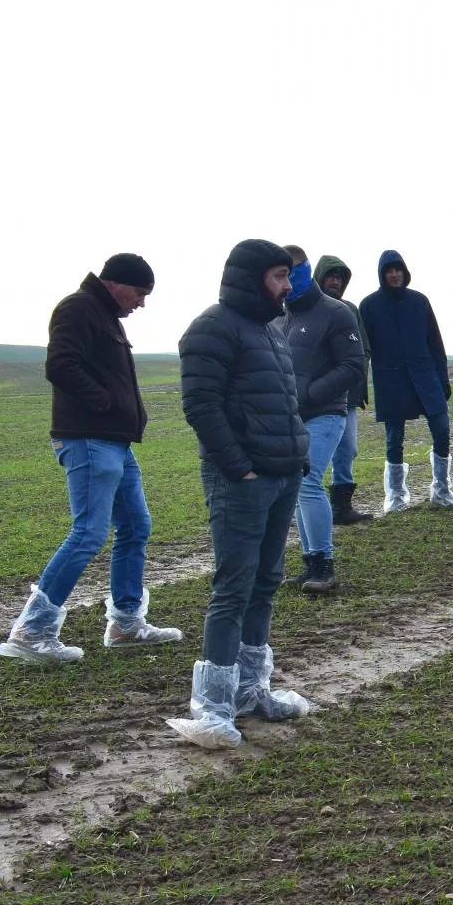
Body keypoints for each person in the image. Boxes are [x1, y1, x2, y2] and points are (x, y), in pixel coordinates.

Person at [0, 253, 183, 664]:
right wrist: (104, 404)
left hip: (113, 441)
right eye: (140, 293)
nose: (141, 303)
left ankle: (127, 624)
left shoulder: (103, 314)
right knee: (88, 533)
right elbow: (61, 365)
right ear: (116, 282)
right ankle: (32, 630)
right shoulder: (78, 308)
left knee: (135, 525)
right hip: (88, 439)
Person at [168, 240, 314, 749]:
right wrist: (239, 468)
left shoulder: (271, 327)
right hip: (242, 480)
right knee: (234, 586)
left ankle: (252, 692)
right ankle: (211, 708)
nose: (288, 286)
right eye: (279, 276)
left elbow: (284, 399)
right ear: (253, 278)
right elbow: (201, 405)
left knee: (267, 580)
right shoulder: (212, 326)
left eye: (289, 277)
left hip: (283, 473)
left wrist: (298, 455)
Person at [280, 245, 366, 594]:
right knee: (296, 487)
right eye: (282, 274)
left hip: (326, 413)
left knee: (308, 482)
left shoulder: (336, 312)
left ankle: (323, 566)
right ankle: (310, 561)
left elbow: (353, 365)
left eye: (294, 272)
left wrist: (313, 394)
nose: (289, 281)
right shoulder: (279, 315)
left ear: (306, 270)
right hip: (291, 417)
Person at [359, 250, 453, 513]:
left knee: (442, 429)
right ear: (383, 274)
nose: (395, 274)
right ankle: (394, 495)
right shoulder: (369, 306)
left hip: (425, 376)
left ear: (405, 272)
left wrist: (443, 379)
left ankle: (441, 489)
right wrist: (360, 383)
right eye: (389, 270)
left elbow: (435, 343)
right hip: (391, 380)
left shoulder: (420, 302)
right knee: (395, 438)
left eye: (398, 269)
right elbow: (364, 350)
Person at [313, 254, 373, 525]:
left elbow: (363, 352)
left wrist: (359, 389)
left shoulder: (350, 309)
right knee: (309, 451)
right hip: (311, 396)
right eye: (331, 275)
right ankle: (302, 503)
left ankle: (341, 506)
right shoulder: (305, 308)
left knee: (347, 448)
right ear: (319, 276)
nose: (335, 281)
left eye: (340, 277)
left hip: (346, 396)